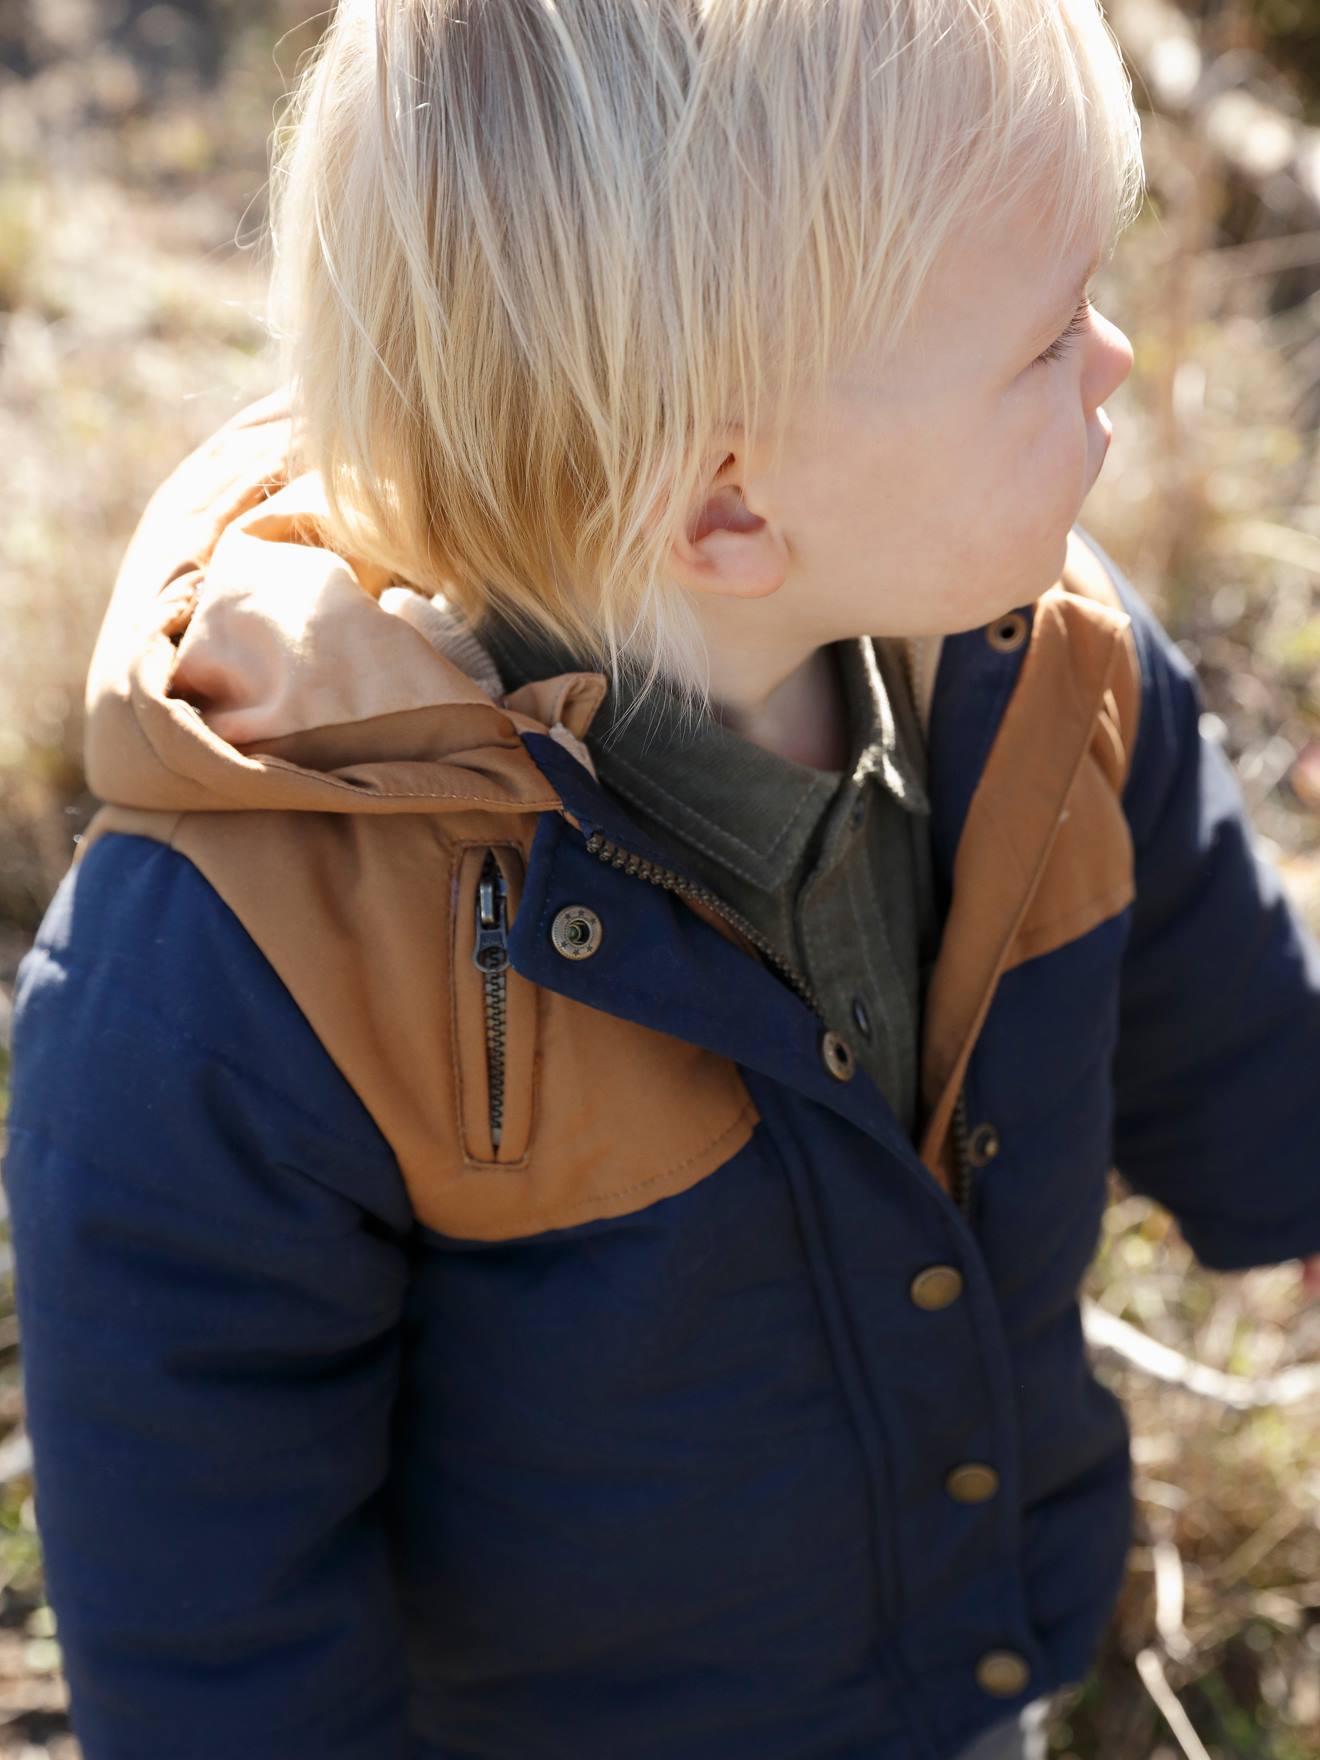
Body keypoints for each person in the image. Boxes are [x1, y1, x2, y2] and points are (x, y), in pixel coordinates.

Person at [3, 3, 1318, 1757]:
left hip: (965, 1648)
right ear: (726, 515)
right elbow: (205, 1589)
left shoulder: (1047, 680)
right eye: (1042, 339)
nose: (1117, 360)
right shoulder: (247, 970)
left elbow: (1216, 1016)